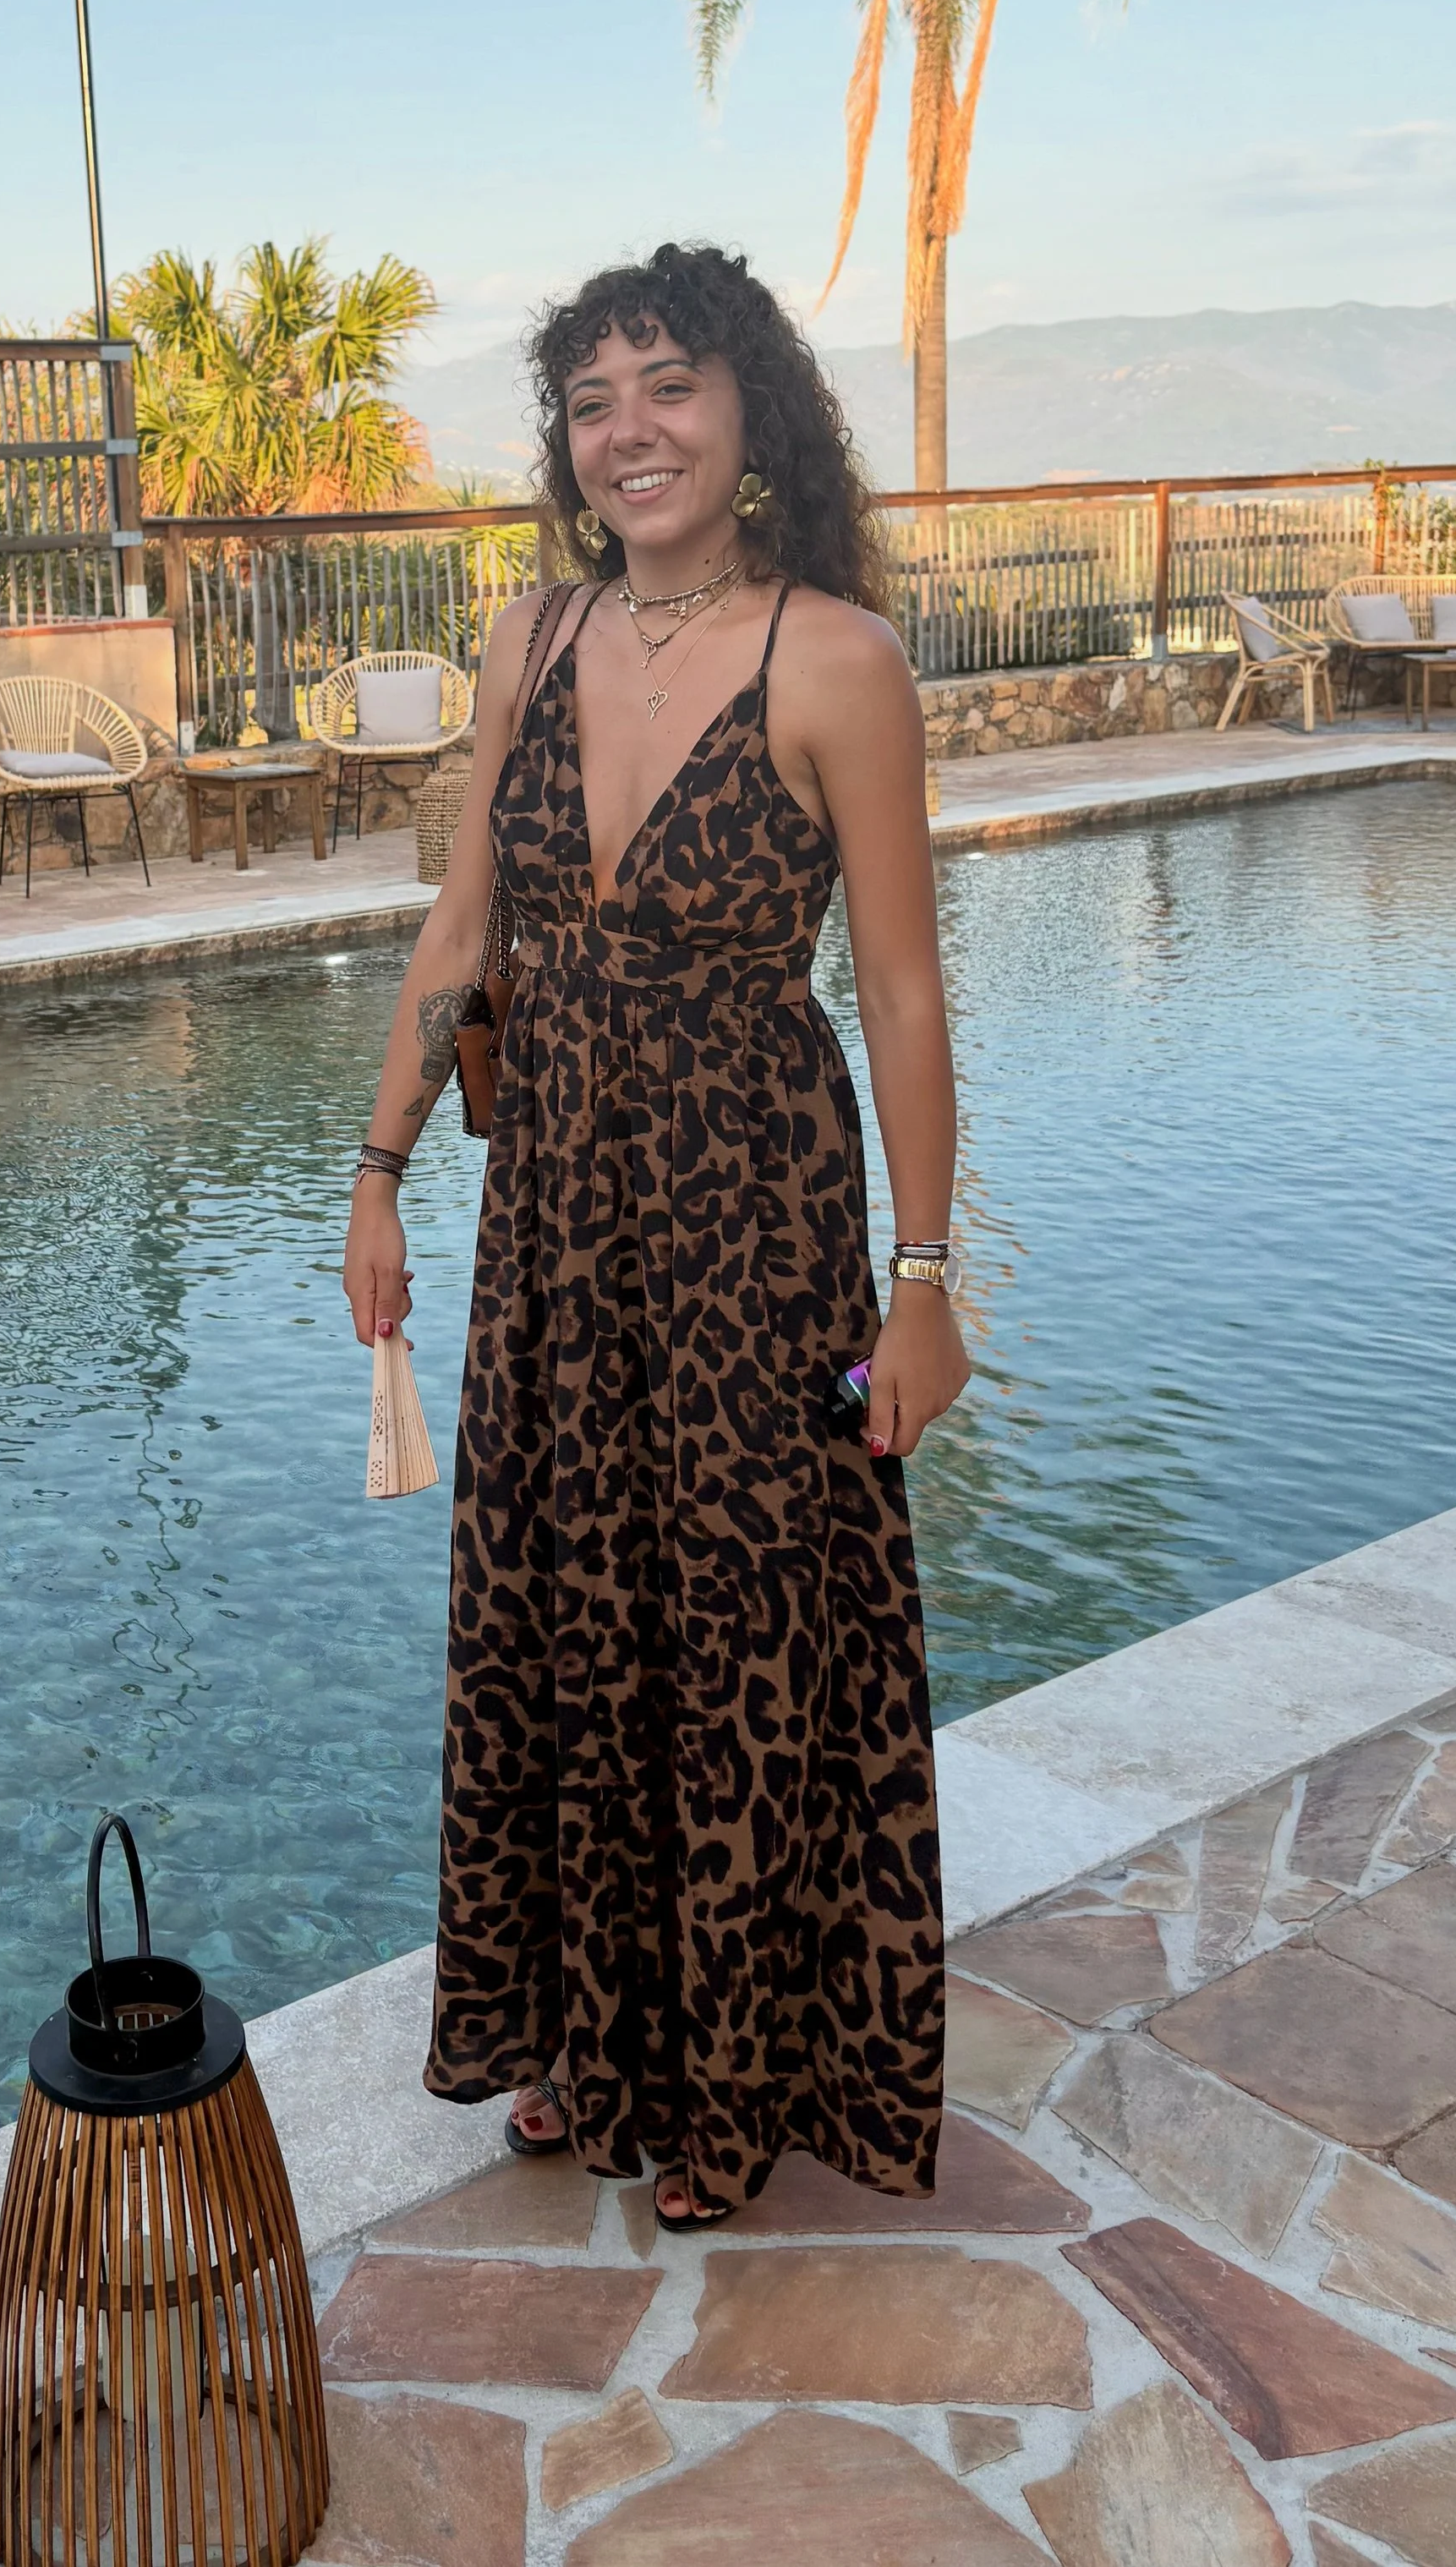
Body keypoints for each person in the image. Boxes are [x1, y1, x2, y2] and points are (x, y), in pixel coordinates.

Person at [342, 241, 967, 2230]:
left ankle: (725, 2080)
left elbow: (900, 994)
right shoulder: (524, 644)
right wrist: (375, 1165)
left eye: (667, 385)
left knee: (740, 1632)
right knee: (564, 1611)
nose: (630, 429)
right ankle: (583, 2032)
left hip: (749, 1225)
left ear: (747, 408)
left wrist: (927, 1280)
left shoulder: (834, 659)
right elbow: (463, 937)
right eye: (591, 399)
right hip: (555, 1228)